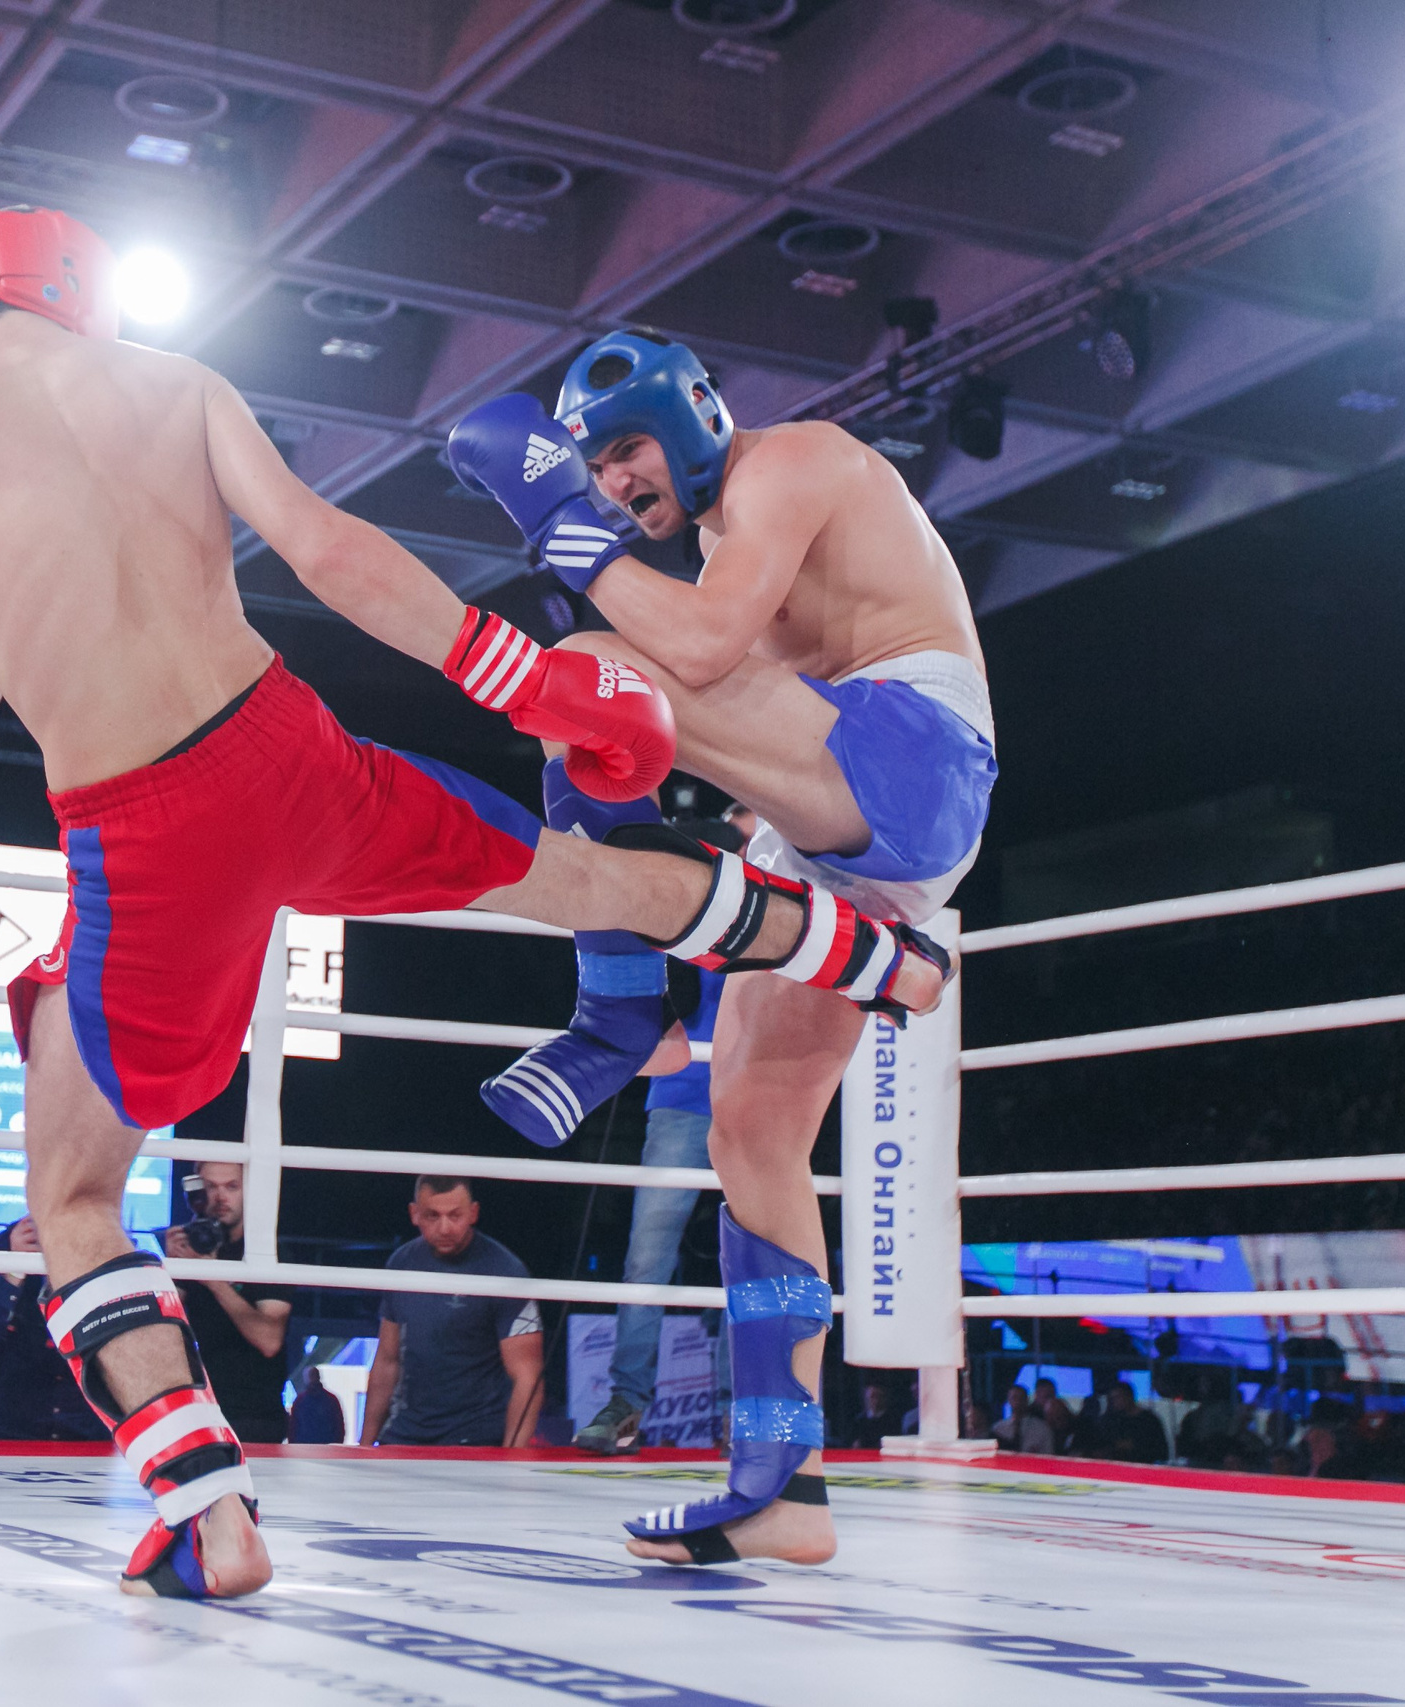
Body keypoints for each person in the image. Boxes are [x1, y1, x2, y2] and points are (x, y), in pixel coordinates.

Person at [0, 207, 951, 1600]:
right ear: (71, 285)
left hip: (143, 825)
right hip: (289, 748)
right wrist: (526, 680)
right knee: (572, 875)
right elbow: (326, 550)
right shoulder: (172, 382)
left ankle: (210, 1513)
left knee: (71, 1195)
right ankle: (870, 950)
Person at [446, 334, 990, 1566]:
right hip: (839, 831)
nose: (613, 482)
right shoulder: (712, 545)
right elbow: (729, 706)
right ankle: (782, 1485)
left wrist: (541, 511)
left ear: (690, 417)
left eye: (624, 449)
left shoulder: (791, 463)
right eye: (587, 468)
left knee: (583, 669)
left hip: (910, 756)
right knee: (751, 1127)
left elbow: (689, 657)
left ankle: (618, 1008)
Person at [573, 817, 749, 1456]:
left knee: (749, 1257)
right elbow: (643, 1035)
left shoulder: (776, 912)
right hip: (679, 1104)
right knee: (648, 1256)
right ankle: (627, 1403)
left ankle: (741, 1411)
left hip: (755, 1103)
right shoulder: (666, 921)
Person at [361, 1177, 544, 1449]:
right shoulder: (401, 1263)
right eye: (432, 1216)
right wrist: (363, 1446)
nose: (444, 1228)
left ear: (473, 1213)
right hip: (405, 1435)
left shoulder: (505, 1271)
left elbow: (528, 1374)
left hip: (476, 1438)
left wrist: (512, 1458)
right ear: (414, 1214)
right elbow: (387, 1362)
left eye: (454, 1215)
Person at [162, 1162, 292, 1443]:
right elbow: (164, 1335)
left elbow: (269, 1340)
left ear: (249, 1191)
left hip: (254, 1418)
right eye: (211, 1187)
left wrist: (213, 1279)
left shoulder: (267, 1252)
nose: (220, 1198)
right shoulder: (191, 1248)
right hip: (192, 1413)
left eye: (231, 1187)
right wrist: (171, 1271)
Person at [0, 1216, 108, 1442]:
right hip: (5, 1432)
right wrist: (14, 1272)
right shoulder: (2, 1248)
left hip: (90, 1435)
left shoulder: (111, 1253)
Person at [288, 1367, 348, 1445]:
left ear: (306, 1379)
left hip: (303, 1451)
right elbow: (339, 1429)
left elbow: (293, 1429)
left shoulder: (300, 1401)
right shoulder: (332, 1400)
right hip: (327, 1451)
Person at [991, 1385, 1054, 1455]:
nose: (1018, 1401)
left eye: (1021, 1398)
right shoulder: (998, 1428)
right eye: (1014, 1397)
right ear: (1008, 1400)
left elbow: (1048, 1454)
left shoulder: (1042, 1428)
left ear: (1027, 1400)